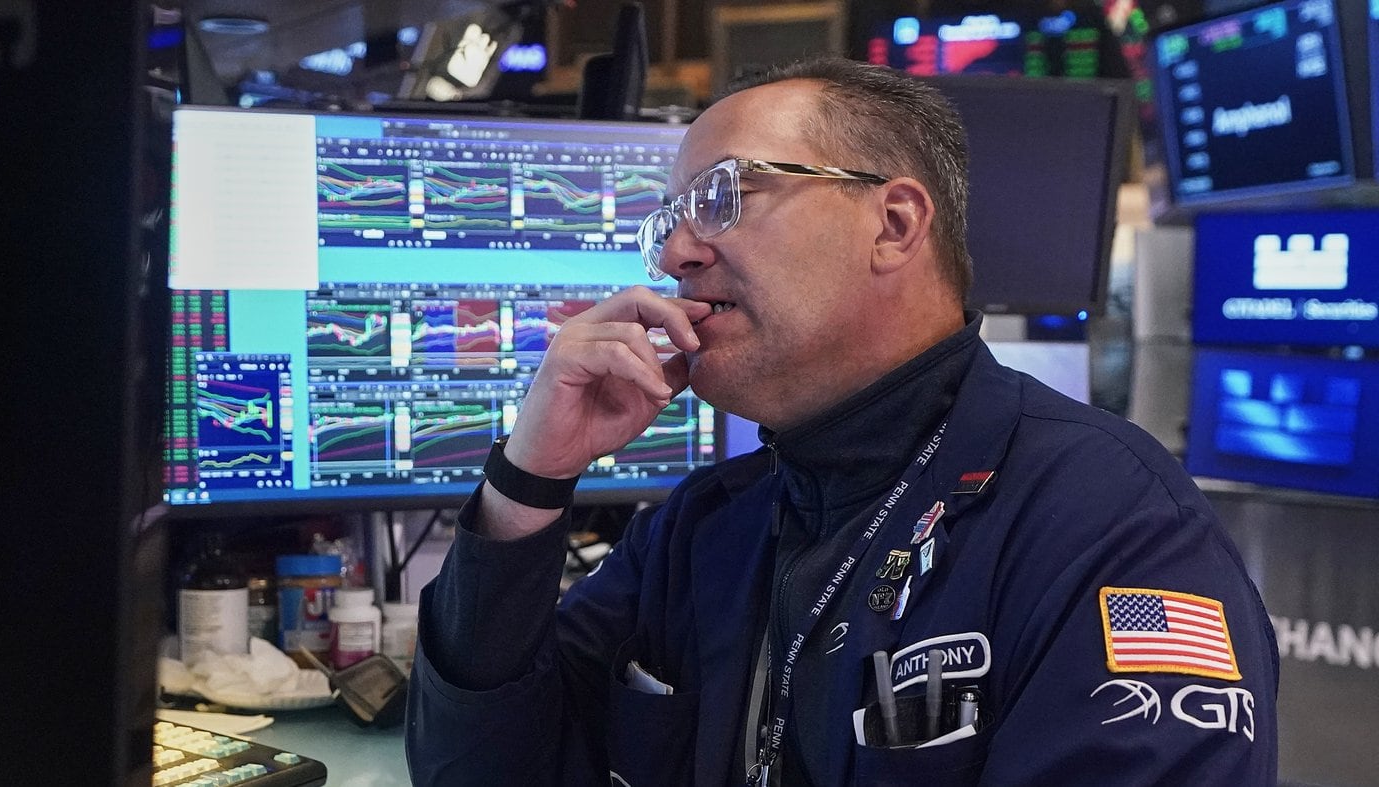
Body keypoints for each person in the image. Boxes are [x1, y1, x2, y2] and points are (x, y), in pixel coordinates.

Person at [406, 56, 1278, 785]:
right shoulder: (704, 528)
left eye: (723, 195)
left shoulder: (1110, 524)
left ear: (893, 224)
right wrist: (530, 478)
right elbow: (475, 769)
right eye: (669, 223)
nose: (675, 253)